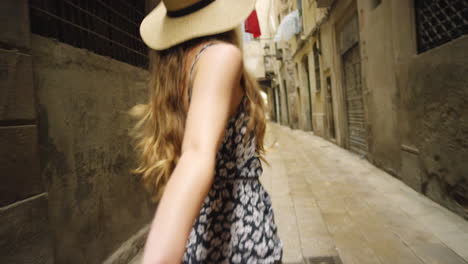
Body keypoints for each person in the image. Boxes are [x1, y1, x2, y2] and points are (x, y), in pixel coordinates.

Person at [130, 0, 283, 263]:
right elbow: (197, 153)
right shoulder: (219, 57)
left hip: (199, 234)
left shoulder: (175, 72)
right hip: (240, 234)